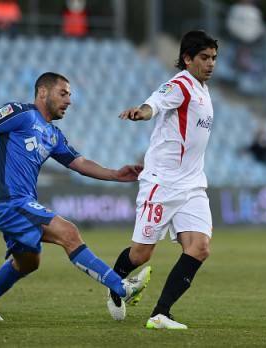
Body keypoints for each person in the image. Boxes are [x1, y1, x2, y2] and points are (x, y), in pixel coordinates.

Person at [0, 72, 151, 321]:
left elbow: (79, 163)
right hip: (11, 203)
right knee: (69, 233)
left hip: (23, 204)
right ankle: (122, 288)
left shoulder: (53, 135)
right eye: (63, 93)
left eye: (70, 95)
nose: (69, 100)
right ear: (43, 92)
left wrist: (115, 174)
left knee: (28, 263)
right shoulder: (20, 113)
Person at [106, 30, 218, 330]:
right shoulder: (181, 84)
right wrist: (140, 113)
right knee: (141, 254)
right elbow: (155, 102)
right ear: (187, 59)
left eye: (214, 58)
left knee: (200, 247)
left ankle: (161, 314)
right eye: (204, 58)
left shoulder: (204, 91)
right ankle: (113, 281)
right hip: (162, 182)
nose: (210, 64)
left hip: (192, 184)